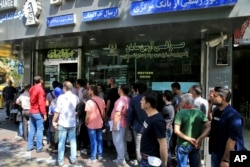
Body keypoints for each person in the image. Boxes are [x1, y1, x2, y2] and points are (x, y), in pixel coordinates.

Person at [209, 87, 245, 167]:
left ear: (223, 98)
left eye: (215, 96)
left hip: (228, 156)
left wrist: (226, 160)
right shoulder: (216, 112)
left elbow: (232, 140)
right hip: (216, 153)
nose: (212, 97)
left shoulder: (234, 116)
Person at [174, 93, 210, 167]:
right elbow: (209, 126)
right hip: (196, 144)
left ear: (186, 103)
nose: (180, 103)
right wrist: (200, 138)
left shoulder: (180, 113)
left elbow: (176, 130)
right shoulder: (199, 113)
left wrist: (189, 139)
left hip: (183, 144)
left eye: (181, 102)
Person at [52, 81, 79, 166]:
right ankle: (73, 158)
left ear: (64, 88)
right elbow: (77, 109)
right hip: (72, 123)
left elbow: (57, 111)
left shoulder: (61, 97)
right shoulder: (76, 97)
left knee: (61, 142)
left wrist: (53, 121)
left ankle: (60, 161)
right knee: (73, 141)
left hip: (62, 123)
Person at [139, 91, 168, 167]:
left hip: (152, 161)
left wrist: (164, 164)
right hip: (144, 159)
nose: (140, 102)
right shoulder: (148, 116)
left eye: (142, 100)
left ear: (148, 104)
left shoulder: (157, 121)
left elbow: (163, 144)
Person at [127, 83, 147, 163]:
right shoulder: (150, 98)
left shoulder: (134, 99)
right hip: (149, 126)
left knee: (138, 146)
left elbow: (130, 113)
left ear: (137, 90)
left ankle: (141, 163)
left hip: (138, 126)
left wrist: (131, 123)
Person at [85, 85, 106, 163]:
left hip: (91, 124)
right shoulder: (102, 100)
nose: (88, 91)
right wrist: (101, 120)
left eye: (89, 90)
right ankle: (100, 155)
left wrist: (86, 122)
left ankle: (93, 157)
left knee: (93, 140)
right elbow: (103, 114)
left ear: (92, 91)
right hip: (99, 123)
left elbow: (87, 116)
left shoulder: (89, 102)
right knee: (99, 139)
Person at [111, 84, 130, 165]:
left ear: (121, 90)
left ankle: (120, 159)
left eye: (119, 89)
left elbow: (117, 113)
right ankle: (125, 155)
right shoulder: (128, 99)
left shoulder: (120, 101)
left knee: (118, 142)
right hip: (125, 122)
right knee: (122, 141)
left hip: (119, 123)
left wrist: (114, 125)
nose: (117, 90)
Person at [27, 76, 47, 152]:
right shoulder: (40, 89)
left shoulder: (31, 88)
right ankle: (39, 147)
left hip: (32, 111)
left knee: (32, 129)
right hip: (38, 112)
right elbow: (41, 103)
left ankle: (29, 146)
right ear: (41, 81)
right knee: (39, 130)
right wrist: (44, 113)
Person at [47, 87, 63, 153]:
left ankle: (54, 146)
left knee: (53, 132)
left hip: (54, 117)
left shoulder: (54, 101)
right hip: (62, 118)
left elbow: (52, 110)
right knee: (61, 133)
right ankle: (61, 147)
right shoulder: (64, 100)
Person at [161, 90, 175, 167]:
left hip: (167, 129)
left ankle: (167, 163)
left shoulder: (166, 108)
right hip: (169, 128)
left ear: (165, 97)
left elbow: (167, 120)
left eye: (163, 96)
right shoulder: (171, 106)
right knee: (167, 146)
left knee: (166, 147)